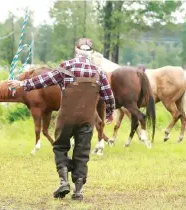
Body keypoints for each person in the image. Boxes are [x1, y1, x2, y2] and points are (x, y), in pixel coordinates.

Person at [8, 38, 115, 201]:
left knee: (60, 147)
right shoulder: (98, 71)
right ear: (91, 52)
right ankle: (78, 191)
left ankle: (64, 181)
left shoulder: (67, 66)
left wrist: (22, 84)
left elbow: (44, 80)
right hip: (87, 119)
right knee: (82, 153)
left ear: (76, 50)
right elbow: (109, 96)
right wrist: (110, 113)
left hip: (66, 118)